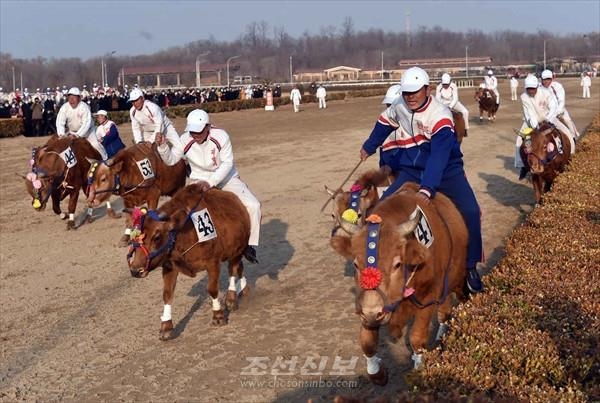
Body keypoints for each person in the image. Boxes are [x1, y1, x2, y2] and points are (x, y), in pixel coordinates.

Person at [359, 67, 484, 294]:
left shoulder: (441, 116)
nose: (410, 97)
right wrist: (369, 146)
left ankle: (470, 267)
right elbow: (384, 123)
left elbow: (438, 157)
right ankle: (380, 263)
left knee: (471, 211)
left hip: (447, 171)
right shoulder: (399, 106)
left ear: (427, 89)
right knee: (381, 211)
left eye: (415, 91)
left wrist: (427, 189)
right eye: (407, 92)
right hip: (411, 169)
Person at [156, 109, 261, 262]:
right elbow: (171, 160)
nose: (195, 135)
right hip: (198, 179)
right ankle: (199, 246)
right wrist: (163, 147)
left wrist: (211, 182)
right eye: (192, 132)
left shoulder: (221, 136)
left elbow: (227, 163)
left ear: (208, 127)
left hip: (226, 178)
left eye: (199, 132)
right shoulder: (185, 139)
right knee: (189, 211)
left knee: (254, 205)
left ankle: (248, 244)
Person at [515, 74, 575, 180]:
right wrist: (535, 127)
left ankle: (570, 156)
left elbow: (553, 107)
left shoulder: (546, 93)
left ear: (537, 87)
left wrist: (548, 119)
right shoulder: (524, 97)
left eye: (533, 88)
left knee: (566, 132)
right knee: (519, 141)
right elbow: (528, 113)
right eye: (528, 89)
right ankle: (523, 166)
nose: (531, 91)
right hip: (531, 122)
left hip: (549, 118)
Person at [56, 87, 106, 159]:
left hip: (88, 132)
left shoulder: (84, 107)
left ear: (79, 98)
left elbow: (86, 124)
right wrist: (61, 134)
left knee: (95, 145)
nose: (71, 100)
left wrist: (77, 135)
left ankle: (105, 160)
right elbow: (60, 122)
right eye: (70, 97)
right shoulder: (64, 107)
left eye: (74, 97)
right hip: (72, 132)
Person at [541, 69, 579, 140]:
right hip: (545, 112)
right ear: (541, 79)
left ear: (552, 78)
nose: (547, 81)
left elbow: (561, 101)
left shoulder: (557, 86)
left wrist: (557, 112)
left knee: (567, 121)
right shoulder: (539, 88)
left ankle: (574, 137)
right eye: (545, 79)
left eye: (549, 79)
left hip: (559, 111)